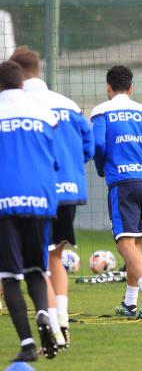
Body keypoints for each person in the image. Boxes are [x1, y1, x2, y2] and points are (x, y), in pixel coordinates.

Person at [11, 46, 94, 349]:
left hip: (37, 192)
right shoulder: (68, 104)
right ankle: (62, 320)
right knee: (55, 256)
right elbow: (89, 146)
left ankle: (53, 327)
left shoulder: (19, 106)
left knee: (36, 262)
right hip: (69, 191)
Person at [91, 65, 142, 320]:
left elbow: (99, 144)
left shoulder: (102, 111)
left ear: (108, 88)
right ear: (131, 88)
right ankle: (130, 302)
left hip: (123, 182)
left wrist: (102, 168)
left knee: (124, 241)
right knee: (135, 241)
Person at [0, 60, 59, 362]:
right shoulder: (43, 112)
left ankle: (26, 343)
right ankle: (43, 314)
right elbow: (55, 159)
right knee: (36, 269)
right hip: (40, 197)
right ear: (22, 84)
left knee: (10, 276)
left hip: (4, 199)